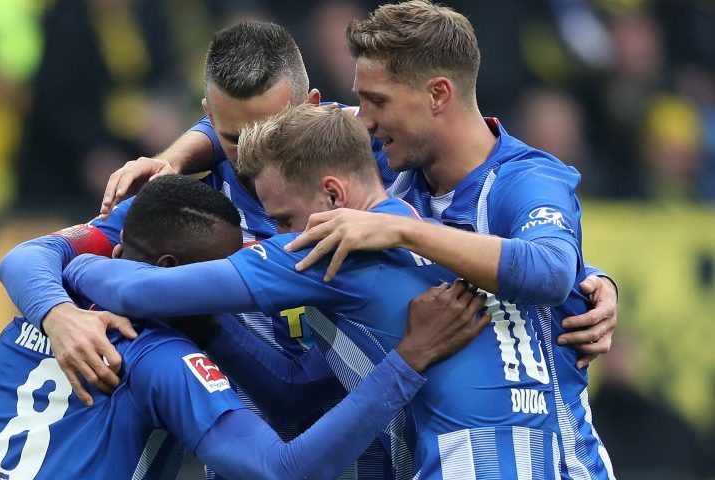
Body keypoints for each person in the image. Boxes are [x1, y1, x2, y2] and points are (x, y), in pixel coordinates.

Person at [63, 104, 593, 479]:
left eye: (283, 219)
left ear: (333, 197)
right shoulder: (452, 230)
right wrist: (594, 280)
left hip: (471, 462)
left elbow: (141, 291)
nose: (276, 235)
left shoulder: (327, 251)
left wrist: (76, 265)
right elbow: (296, 390)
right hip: (562, 458)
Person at [0, 175, 490, 480]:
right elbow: (281, 470)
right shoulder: (157, 359)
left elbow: (289, 395)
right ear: (169, 272)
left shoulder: (27, 324)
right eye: (217, 279)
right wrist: (408, 360)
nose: (228, 300)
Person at [284, 2, 616, 478]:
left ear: (437, 94)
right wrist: (178, 158)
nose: (365, 121)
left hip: (550, 464)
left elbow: (550, 270)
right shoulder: (385, 153)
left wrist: (404, 229)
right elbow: (257, 122)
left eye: (377, 101)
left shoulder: (527, 179)